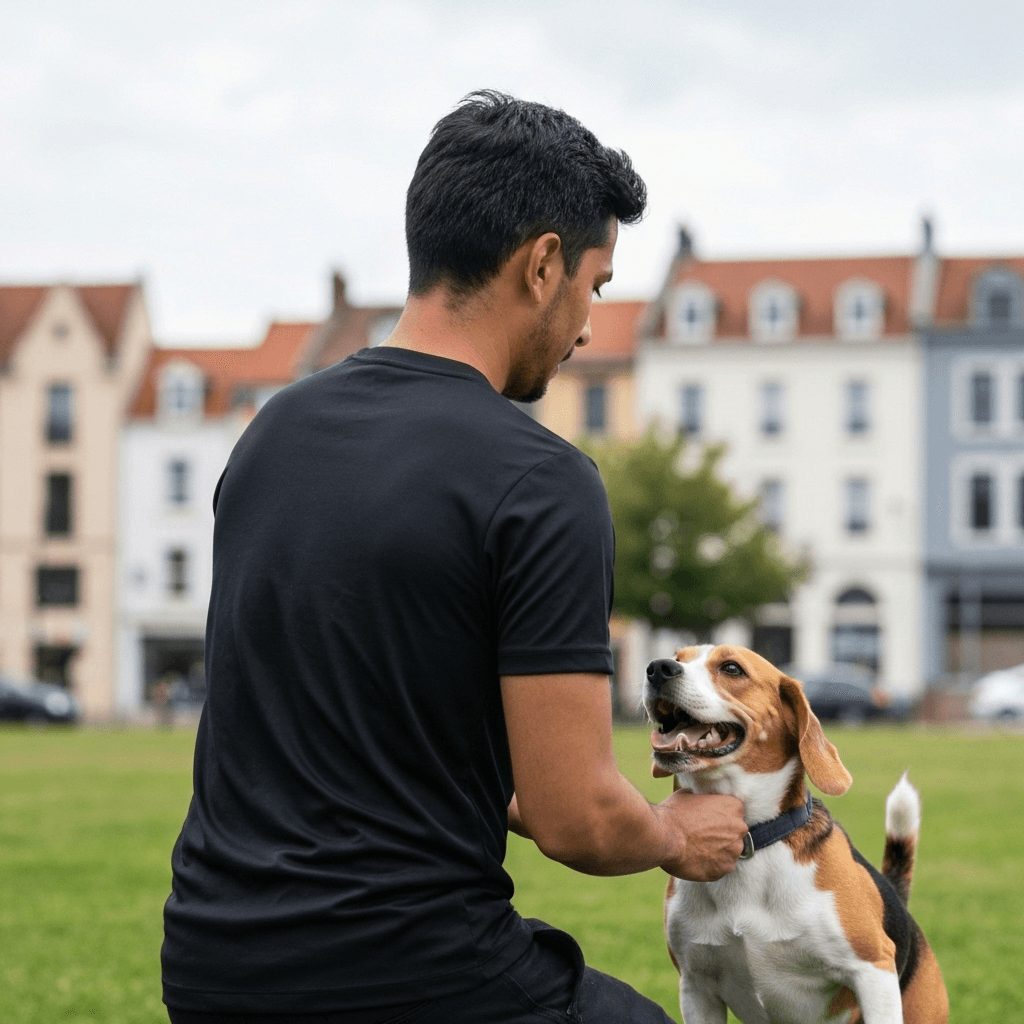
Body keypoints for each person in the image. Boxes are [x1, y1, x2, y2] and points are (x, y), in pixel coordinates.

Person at [161, 90, 747, 1024]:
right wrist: (677, 832)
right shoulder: (541, 480)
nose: (591, 325)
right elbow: (576, 817)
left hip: (210, 965)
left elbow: (378, 735)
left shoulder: (273, 433)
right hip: (409, 973)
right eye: (596, 285)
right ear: (543, 264)